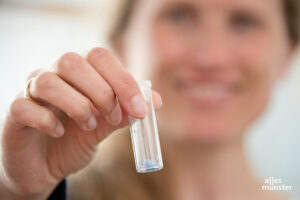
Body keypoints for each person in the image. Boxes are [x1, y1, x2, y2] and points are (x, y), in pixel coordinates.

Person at [0, 0, 299, 199]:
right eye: (179, 15)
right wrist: (19, 194)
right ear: (122, 43)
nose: (211, 56)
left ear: (287, 54)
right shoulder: (58, 192)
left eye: (245, 22)